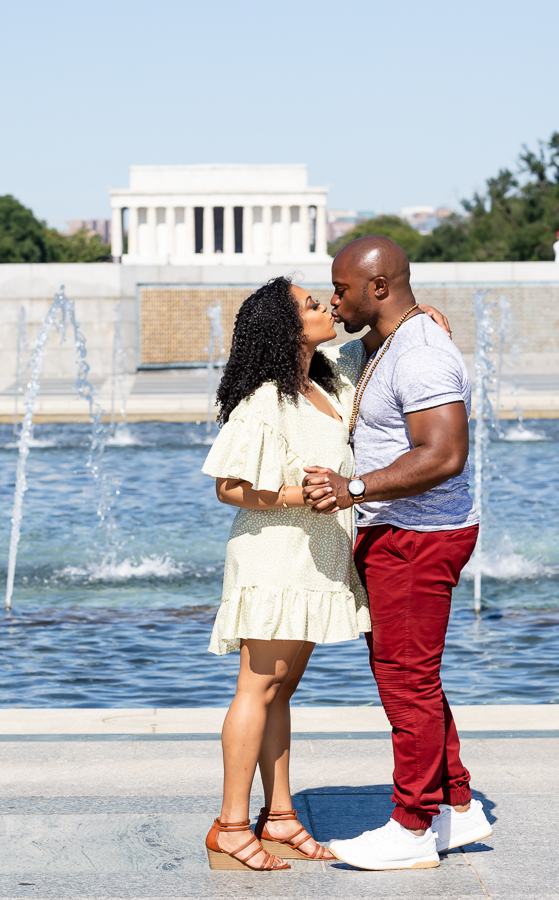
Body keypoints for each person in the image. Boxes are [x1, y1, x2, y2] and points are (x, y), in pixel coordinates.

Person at [201, 275, 450, 872]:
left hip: (316, 558)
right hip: (276, 555)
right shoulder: (266, 397)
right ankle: (231, 825)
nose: (325, 306)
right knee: (256, 689)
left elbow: (377, 342)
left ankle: (281, 816)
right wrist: (300, 496)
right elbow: (227, 486)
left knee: (280, 692)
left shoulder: (325, 379)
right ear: (288, 329)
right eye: (312, 305)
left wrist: (421, 317)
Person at [303, 236, 493, 872]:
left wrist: (352, 487)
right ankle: (455, 805)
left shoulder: (420, 354)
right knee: (414, 676)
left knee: (406, 681)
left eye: (343, 289)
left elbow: (443, 454)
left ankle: (412, 827)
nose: (335, 300)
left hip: (419, 538)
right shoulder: (384, 342)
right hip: (402, 533)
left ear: (379, 288)